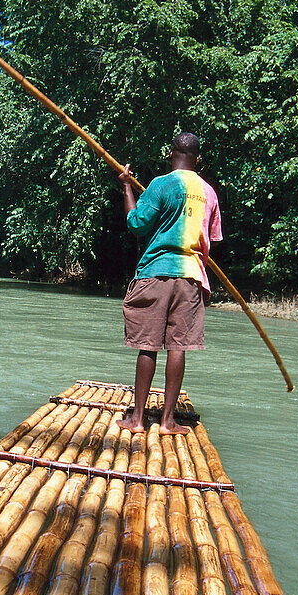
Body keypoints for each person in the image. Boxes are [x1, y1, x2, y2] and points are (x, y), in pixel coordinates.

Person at [116, 132, 222, 435]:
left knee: (148, 345)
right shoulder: (209, 193)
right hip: (190, 276)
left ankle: (137, 419)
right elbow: (210, 239)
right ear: (198, 159)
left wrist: (126, 186)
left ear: (170, 154)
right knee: (179, 346)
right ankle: (167, 421)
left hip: (155, 273)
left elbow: (136, 224)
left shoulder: (160, 184)